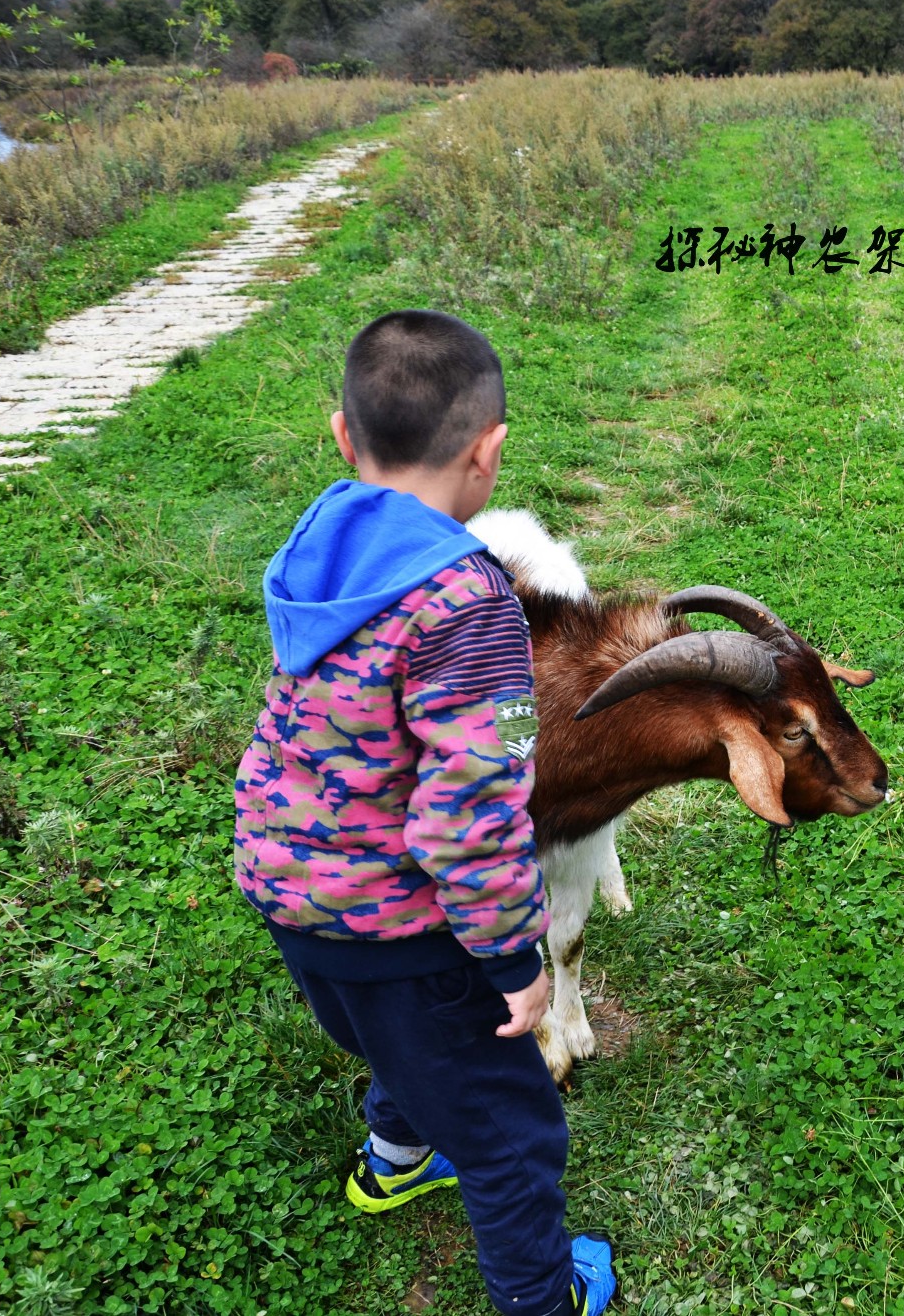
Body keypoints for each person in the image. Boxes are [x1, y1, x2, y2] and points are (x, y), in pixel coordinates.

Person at [232, 310, 616, 1316]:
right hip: (406, 928)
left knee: (400, 1046)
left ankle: (395, 1161)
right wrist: (512, 965)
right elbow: (471, 816)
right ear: (488, 453)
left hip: (292, 897)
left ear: (342, 439)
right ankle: (544, 1300)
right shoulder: (471, 603)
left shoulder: (318, 552)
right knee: (509, 1134)